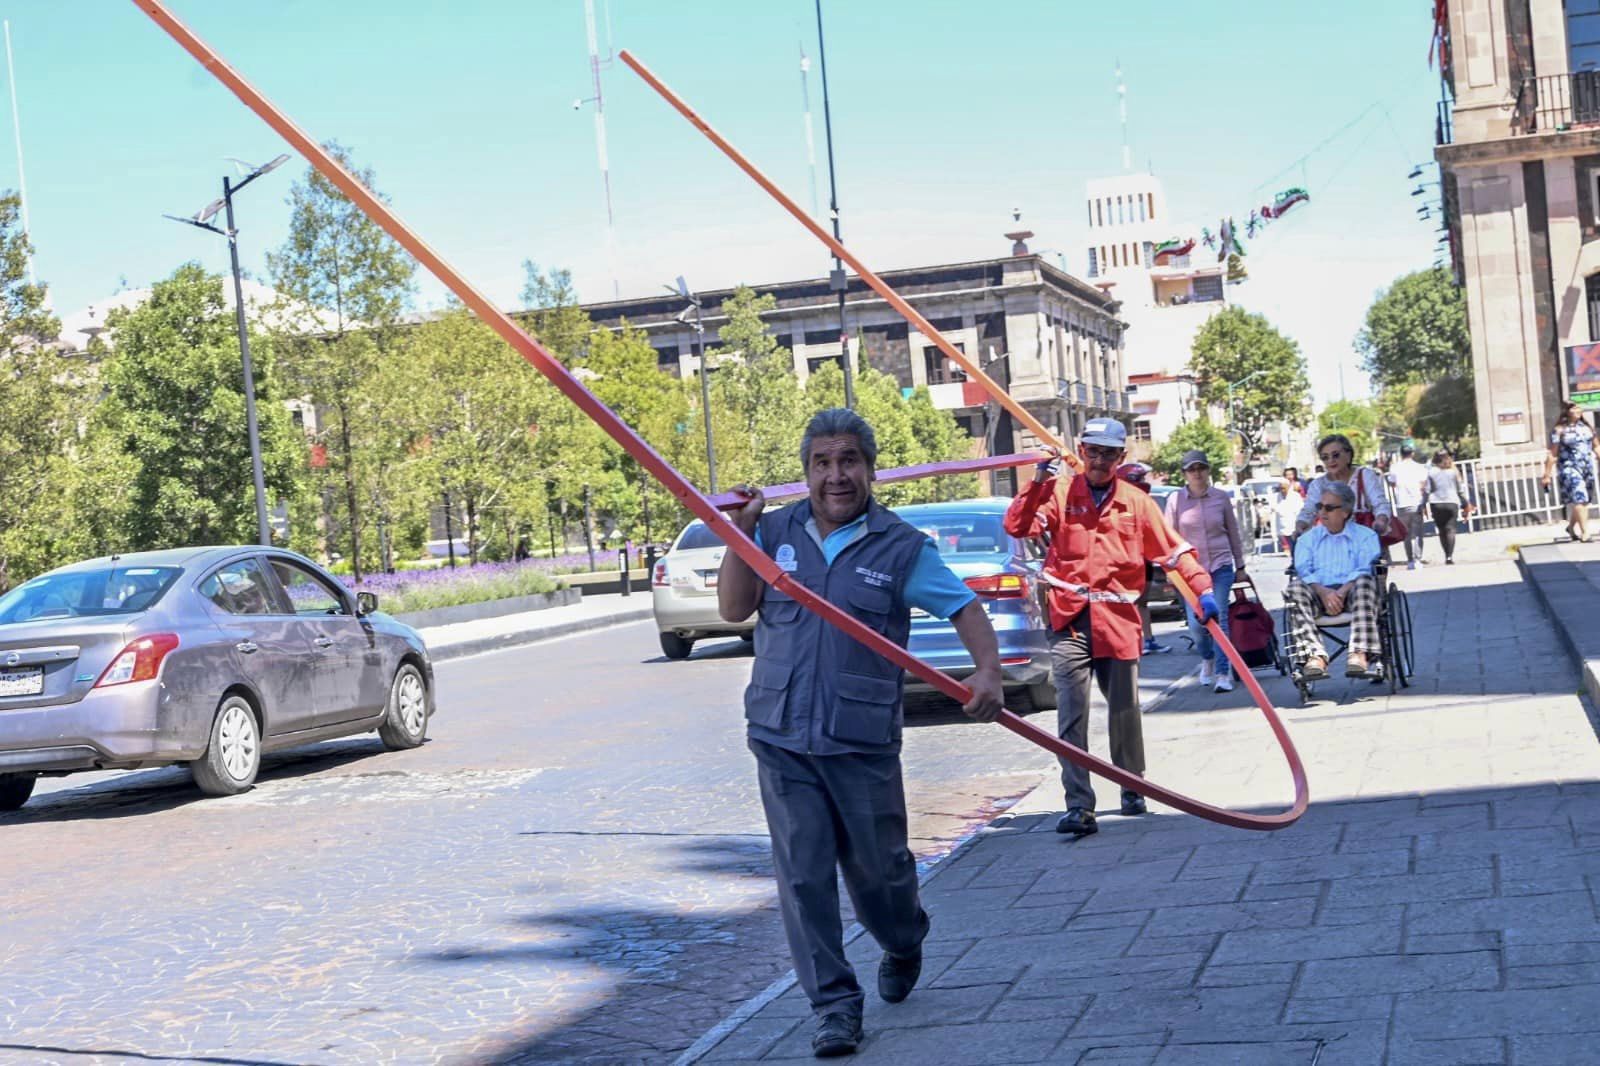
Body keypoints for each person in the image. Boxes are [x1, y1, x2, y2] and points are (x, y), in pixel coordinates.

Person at [717, 408, 1004, 1058]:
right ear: (807, 472)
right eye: (822, 463)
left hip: (862, 742)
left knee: (880, 873)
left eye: (848, 461)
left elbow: (963, 607)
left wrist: (987, 672)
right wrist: (741, 533)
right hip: (782, 735)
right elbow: (734, 609)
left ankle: (904, 940)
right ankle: (835, 1007)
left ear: (871, 470)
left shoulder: (902, 547)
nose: (835, 475)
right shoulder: (775, 530)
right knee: (803, 875)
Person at [1003, 418, 1217, 838]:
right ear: (1081, 452)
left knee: (1123, 711)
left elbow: (1174, 552)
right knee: (1071, 713)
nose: (1099, 461)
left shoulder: (1136, 503)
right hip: (1069, 620)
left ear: (1121, 458)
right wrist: (1037, 483)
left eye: (1108, 454)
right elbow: (1018, 527)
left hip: (1117, 622)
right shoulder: (1061, 494)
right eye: (1092, 452)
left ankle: (1131, 783)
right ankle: (1079, 805)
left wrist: (1203, 589)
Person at [1163, 450, 1246, 693]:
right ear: (1184, 474)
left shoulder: (1220, 498)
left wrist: (1240, 566)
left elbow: (1233, 533)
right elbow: (1169, 537)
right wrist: (1170, 568)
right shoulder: (1175, 501)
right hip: (1190, 570)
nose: (1197, 473)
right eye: (1191, 469)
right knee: (1197, 626)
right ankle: (1207, 658)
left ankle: (1223, 672)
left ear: (1208, 470)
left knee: (1219, 617)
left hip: (1220, 565)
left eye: (1201, 468)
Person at [1286, 482, 1383, 679]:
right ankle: (1315, 655)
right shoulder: (1308, 539)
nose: (1322, 512)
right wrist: (1324, 592)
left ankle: (1360, 652)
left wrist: (1341, 592)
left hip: (1354, 593)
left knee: (1365, 581)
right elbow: (1303, 569)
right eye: (1319, 507)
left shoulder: (1365, 536)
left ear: (1346, 512)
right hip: (1317, 593)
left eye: (1329, 508)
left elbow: (1364, 567)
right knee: (1295, 588)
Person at [1117, 461, 1170, 655]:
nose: (1144, 482)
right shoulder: (1117, 507)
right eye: (1139, 479)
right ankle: (1134, 642)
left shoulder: (1144, 503)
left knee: (1142, 602)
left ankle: (1148, 640)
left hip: (1143, 561)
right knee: (1129, 603)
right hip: (1126, 563)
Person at [1296, 434, 1393, 540]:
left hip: (1366, 539)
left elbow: (1380, 503)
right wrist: (1301, 524)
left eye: (1336, 455)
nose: (1331, 460)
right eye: (1325, 457)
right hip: (1333, 542)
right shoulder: (1318, 484)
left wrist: (1381, 520)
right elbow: (1309, 510)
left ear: (1348, 455)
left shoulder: (1365, 475)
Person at [1543, 400, 1600, 543]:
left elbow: (1596, 446)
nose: (1577, 410)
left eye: (1578, 407)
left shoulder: (1587, 428)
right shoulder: (1559, 430)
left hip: (1586, 468)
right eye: (1573, 408)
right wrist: (1547, 475)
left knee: (1584, 500)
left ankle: (1570, 527)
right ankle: (1585, 532)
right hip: (1569, 468)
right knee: (1579, 497)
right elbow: (1552, 453)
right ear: (1566, 411)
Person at [1386, 443, 1431, 569]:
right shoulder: (1419, 467)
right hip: (1417, 502)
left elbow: (1391, 482)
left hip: (1402, 503)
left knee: (1406, 533)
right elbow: (1424, 484)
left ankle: (1410, 560)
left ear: (1401, 454)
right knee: (1418, 533)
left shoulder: (1395, 468)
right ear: (1412, 453)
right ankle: (1418, 559)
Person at [1427, 449, 1468, 564]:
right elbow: (1460, 490)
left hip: (1436, 503)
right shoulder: (1452, 472)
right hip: (1452, 502)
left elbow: (1427, 490)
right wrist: (1465, 502)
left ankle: (1446, 552)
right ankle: (1449, 556)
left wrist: (1422, 504)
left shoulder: (1431, 472)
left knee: (1441, 530)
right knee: (1451, 529)